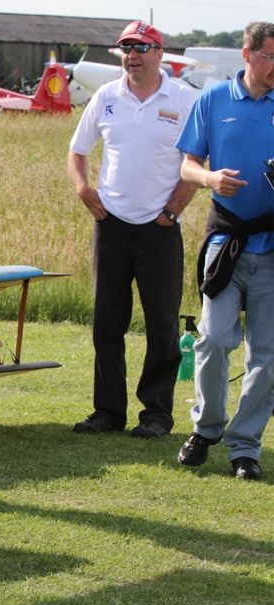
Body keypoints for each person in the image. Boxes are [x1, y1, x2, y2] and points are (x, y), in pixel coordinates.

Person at [67, 20, 198, 438]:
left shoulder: (183, 99)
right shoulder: (106, 97)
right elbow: (77, 151)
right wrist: (84, 189)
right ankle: (108, 411)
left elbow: (197, 163)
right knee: (107, 323)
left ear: (160, 53)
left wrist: (174, 210)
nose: (133, 55)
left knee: (161, 325)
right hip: (112, 227)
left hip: (160, 229)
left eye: (141, 47)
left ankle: (156, 413)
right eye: (126, 48)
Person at [175, 21, 274, 481]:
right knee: (213, 339)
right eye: (270, 56)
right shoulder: (213, 99)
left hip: (272, 248)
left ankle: (245, 447)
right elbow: (188, 165)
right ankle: (206, 428)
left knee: (267, 355)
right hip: (225, 243)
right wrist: (212, 179)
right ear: (247, 54)